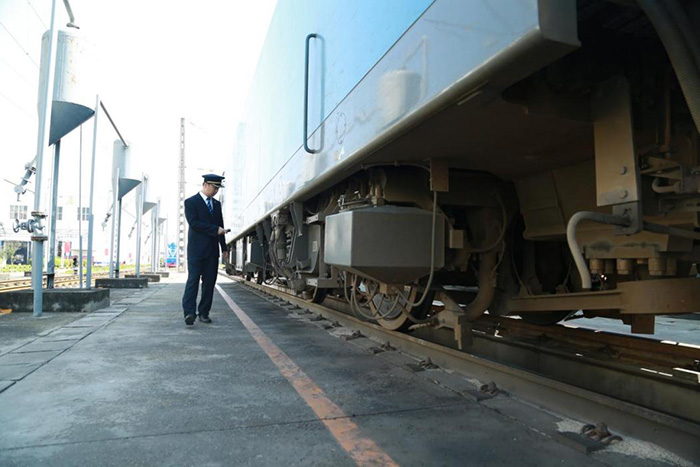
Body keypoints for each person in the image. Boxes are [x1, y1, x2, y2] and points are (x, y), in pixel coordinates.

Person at [181, 174, 228, 325]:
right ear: (206, 184)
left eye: (218, 189)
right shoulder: (191, 202)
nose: (216, 191)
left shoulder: (216, 204)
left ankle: (204, 313)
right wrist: (215, 230)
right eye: (214, 188)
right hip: (196, 251)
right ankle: (189, 313)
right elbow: (194, 223)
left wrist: (224, 248)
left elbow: (221, 225)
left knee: (209, 283)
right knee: (193, 281)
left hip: (212, 252)